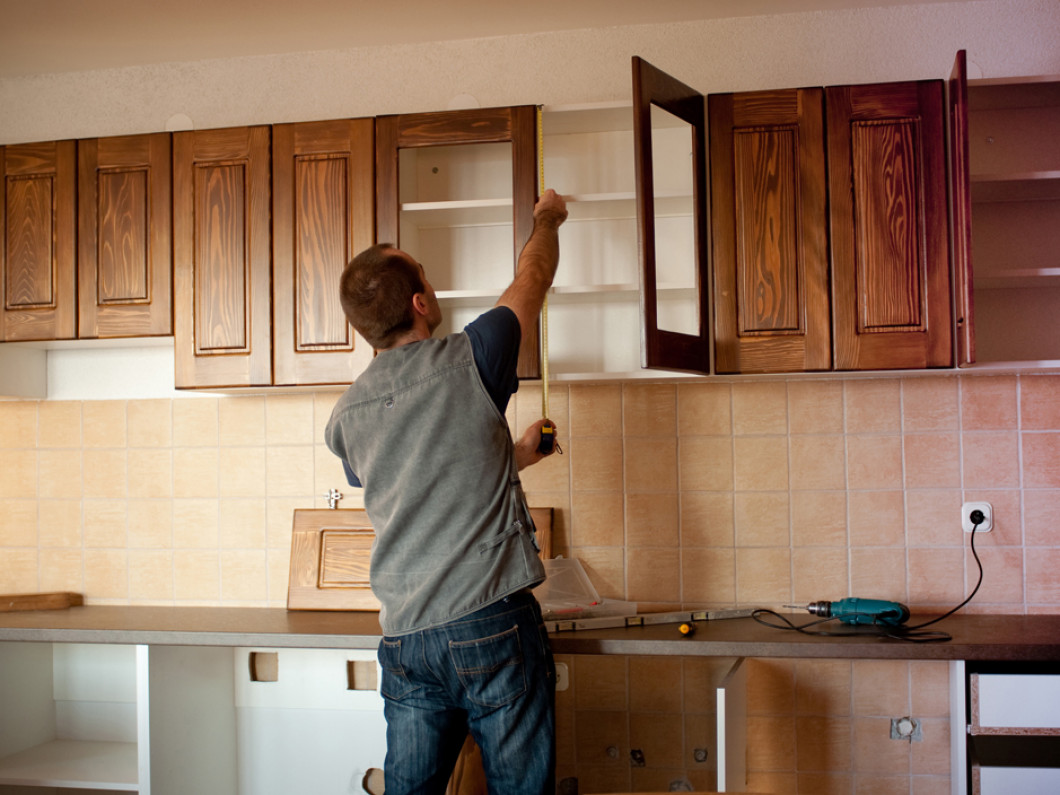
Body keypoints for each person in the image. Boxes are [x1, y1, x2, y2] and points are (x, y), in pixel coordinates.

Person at [325, 188, 568, 795]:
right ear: (421, 301)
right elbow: (532, 278)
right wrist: (548, 217)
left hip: (407, 639)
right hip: (491, 621)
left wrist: (512, 458)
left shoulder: (345, 419)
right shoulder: (474, 357)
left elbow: (419, 480)